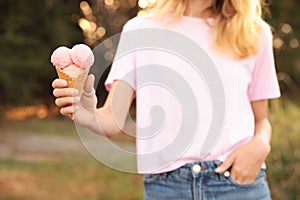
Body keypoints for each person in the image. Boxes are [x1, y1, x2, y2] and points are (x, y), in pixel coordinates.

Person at [52, 0, 281, 199]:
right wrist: (89, 113)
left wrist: (261, 144)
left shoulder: (253, 33)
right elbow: (112, 120)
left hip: (238, 183)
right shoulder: (140, 30)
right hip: (167, 187)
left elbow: (262, 120)